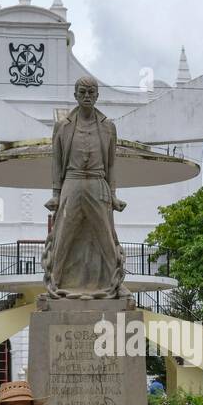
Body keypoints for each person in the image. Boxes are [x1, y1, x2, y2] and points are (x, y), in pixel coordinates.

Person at [42, 76, 129, 300]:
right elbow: (56, 161)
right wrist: (56, 194)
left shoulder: (108, 126)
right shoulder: (63, 126)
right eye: (82, 92)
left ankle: (117, 283)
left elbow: (111, 163)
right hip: (72, 181)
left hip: (98, 183)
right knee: (63, 236)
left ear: (97, 96)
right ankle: (55, 281)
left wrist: (113, 194)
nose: (87, 96)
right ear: (75, 95)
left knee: (106, 236)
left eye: (91, 93)